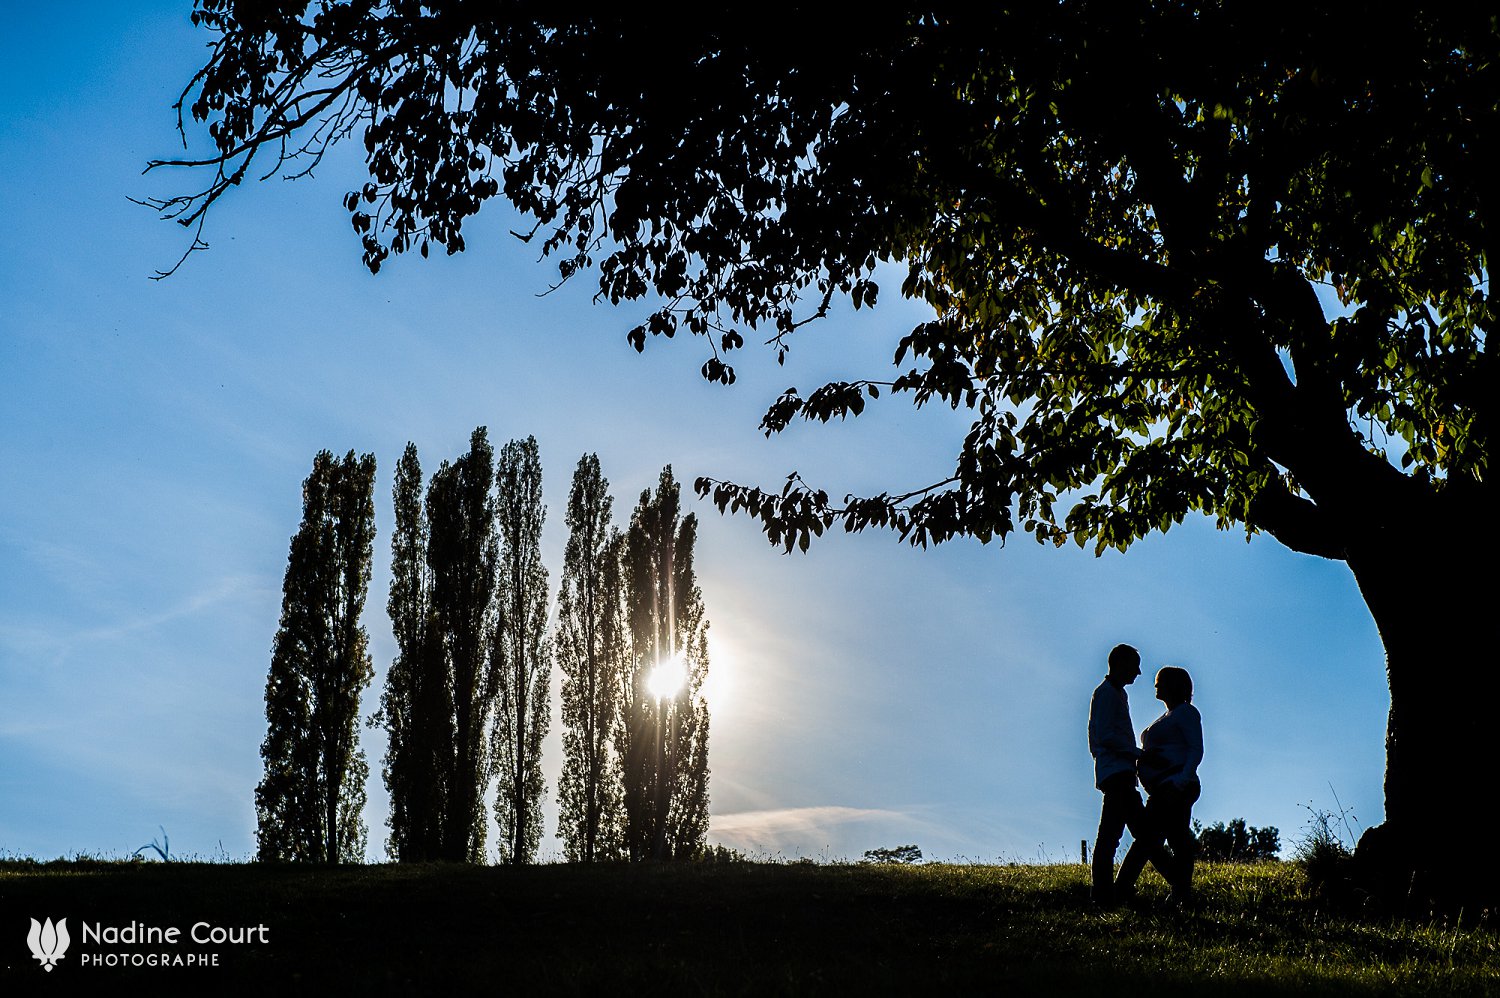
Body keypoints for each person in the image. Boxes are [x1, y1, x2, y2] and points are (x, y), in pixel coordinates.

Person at [1116, 666, 1203, 906]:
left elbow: (1196, 749)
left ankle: (1123, 889)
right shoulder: (1167, 717)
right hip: (1163, 787)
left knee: (1151, 838)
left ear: (1174, 685)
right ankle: (1181, 891)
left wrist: (1180, 780)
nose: (1156, 684)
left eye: (1161, 680)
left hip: (1174, 785)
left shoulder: (1186, 712)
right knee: (1171, 838)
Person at [1087, 643, 1146, 905]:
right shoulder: (1108, 694)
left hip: (1118, 772)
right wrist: (1137, 753)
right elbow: (1104, 736)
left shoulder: (1114, 694)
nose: (1139, 673)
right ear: (1121, 665)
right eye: (1135, 666)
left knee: (1139, 834)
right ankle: (1104, 894)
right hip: (1117, 773)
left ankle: (1108, 892)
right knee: (1132, 836)